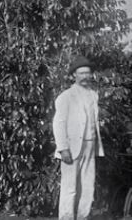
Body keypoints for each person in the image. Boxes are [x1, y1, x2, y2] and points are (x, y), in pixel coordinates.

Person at [53, 55, 105, 220]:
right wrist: (63, 148)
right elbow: (58, 124)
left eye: (87, 73)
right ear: (74, 75)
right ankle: (67, 217)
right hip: (71, 146)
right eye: (81, 73)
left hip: (90, 144)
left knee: (87, 184)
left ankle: (83, 216)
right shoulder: (65, 97)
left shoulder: (93, 95)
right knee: (70, 187)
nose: (85, 76)